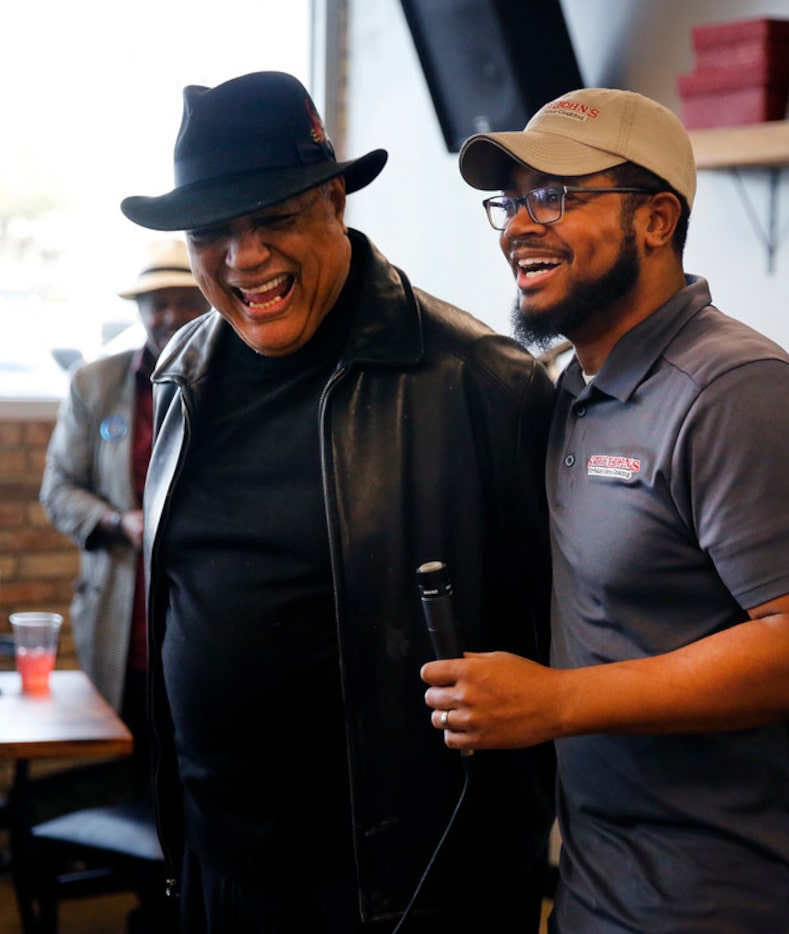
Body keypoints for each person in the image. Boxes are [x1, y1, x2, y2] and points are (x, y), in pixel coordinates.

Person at [426, 87, 789, 932]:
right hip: (602, 887)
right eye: (512, 200)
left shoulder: (740, 393)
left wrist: (556, 701)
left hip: (739, 901)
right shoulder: (574, 391)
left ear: (657, 220)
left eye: (555, 196)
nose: (521, 225)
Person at [118, 71, 555, 932]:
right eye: (214, 231)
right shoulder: (182, 378)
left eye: (274, 219)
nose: (245, 259)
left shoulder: (480, 384)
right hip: (216, 872)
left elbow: (555, 657)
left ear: (335, 203)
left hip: (399, 892)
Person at [40, 239, 210, 803]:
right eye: (156, 303)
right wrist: (121, 521)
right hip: (123, 613)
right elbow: (58, 488)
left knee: (202, 758)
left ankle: (186, 888)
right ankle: (147, 886)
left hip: (209, 616)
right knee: (136, 757)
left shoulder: (241, 375)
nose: (170, 316)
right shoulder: (95, 383)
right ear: (139, 310)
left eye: (185, 300)